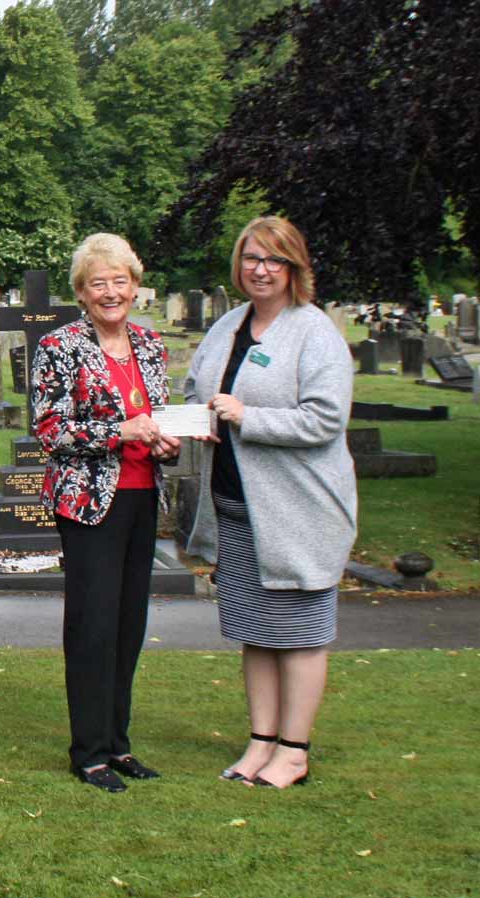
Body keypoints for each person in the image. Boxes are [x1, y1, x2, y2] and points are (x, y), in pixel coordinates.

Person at [184, 216, 356, 789]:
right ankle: (261, 741)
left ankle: (295, 750)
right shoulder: (228, 326)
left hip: (298, 511)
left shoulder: (315, 333)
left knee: (301, 632)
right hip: (237, 506)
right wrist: (202, 417)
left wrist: (244, 417)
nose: (261, 270)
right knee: (255, 629)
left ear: (294, 269)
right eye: (252, 258)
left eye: (274, 260)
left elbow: (326, 419)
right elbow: (195, 389)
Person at [32, 233, 179, 793]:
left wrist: (168, 442)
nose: (111, 292)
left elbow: (160, 416)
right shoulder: (60, 346)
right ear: (82, 292)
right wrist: (119, 432)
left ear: (135, 286)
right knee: (93, 626)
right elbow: (50, 430)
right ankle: (88, 751)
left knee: (129, 625)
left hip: (144, 497)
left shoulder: (149, 343)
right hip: (90, 502)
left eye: (120, 281)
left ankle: (119, 744)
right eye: (99, 283)